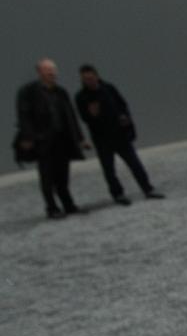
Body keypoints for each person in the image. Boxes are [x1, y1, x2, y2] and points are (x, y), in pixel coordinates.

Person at [74, 65, 164, 205]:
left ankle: (147, 188)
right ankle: (118, 194)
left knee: (135, 164)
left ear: (96, 76)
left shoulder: (108, 88)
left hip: (120, 135)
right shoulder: (81, 97)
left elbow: (122, 105)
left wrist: (125, 118)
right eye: (85, 79)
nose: (89, 81)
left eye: (90, 77)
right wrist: (91, 115)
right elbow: (84, 117)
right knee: (109, 169)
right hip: (101, 138)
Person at [15, 58, 90, 219]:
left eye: (53, 69)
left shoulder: (61, 92)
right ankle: (52, 208)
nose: (51, 73)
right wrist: (29, 137)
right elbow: (24, 116)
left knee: (63, 175)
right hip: (43, 141)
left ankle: (68, 205)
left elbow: (71, 116)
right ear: (39, 72)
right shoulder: (28, 92)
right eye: (47, 70)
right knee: (47, 177)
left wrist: (80, 138)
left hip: (62, 140)